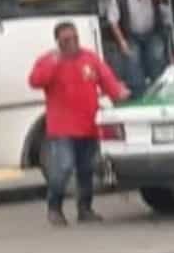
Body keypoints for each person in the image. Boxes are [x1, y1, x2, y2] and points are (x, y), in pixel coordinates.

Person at [29, 21, 129, 227]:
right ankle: (54, 209)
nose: (72, 43)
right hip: (61, 129)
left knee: (86, 169)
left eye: (75, 38)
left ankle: (85, 209)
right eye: (66, 40)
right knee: (63, 168)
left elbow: (107, 79)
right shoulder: (48, 60)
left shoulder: (89, 58)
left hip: (88, 125)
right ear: (58, 42)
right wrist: (54, 62)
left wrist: (119, 93)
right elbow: (35, 81)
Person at [107, 0, 169, 97]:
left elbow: (171, 2)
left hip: (152, 32)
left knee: (157, 56)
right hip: (131, 35)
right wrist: (122, 42)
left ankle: (160, 91)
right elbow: (113, 21)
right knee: (132, 60)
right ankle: (139, 94)